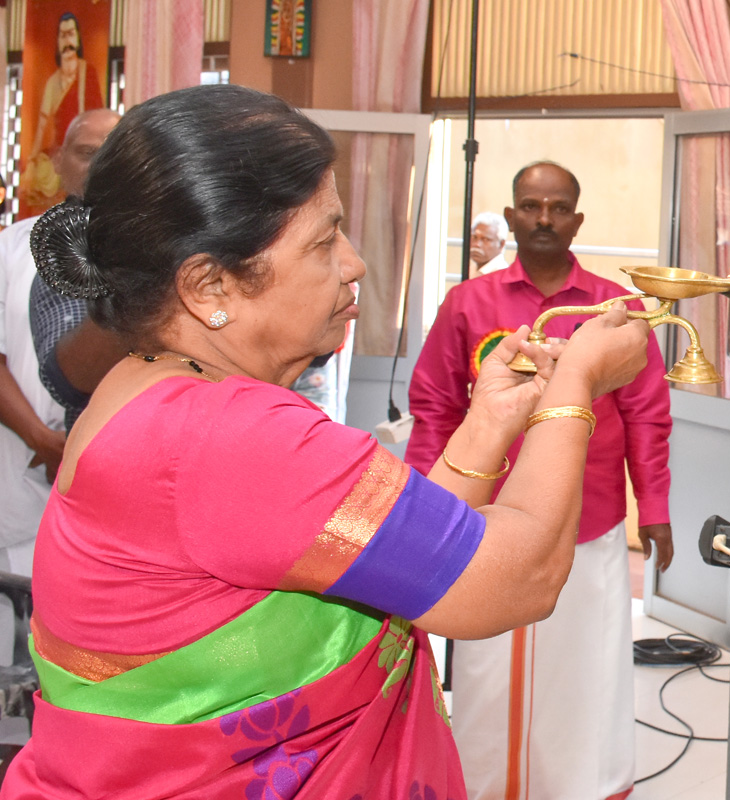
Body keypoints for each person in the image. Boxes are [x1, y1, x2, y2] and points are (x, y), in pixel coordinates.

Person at [1, 84, 653, 799]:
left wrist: (490, 423)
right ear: (209, 286)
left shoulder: (143, 382)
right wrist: (575, 387)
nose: (354, 263)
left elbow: (402, 553)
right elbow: (513, 580)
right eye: (323, 241)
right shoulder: (236, 435)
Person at [406, 161, 674, 800]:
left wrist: (655, 506)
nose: (544, 218)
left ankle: (585, 788)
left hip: (590, 517)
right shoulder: (468, 303)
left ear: (577, 220)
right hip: (485, 523)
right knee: (488, 673)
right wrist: (423, 505)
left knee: (585, 671)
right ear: (510, 216)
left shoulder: (616, 311)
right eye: (531, 206)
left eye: (558, 208)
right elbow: (435, 405)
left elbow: (647, 413)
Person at [0, 109, 118, 578]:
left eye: (113, 153)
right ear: (57, 160)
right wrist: (43, 440)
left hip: (116, 472)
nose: (99, 165)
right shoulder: (12, 247)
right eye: (87, 152)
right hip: (23, 459)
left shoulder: (156, 249)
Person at [21, 13, 106, 210]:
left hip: (82, 150)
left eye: (70, 34)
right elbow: (42, 123)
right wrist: (33, 157)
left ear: (77, 39)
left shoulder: (87, 73)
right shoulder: (52, 82)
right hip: (60, 151)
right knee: (40, 172)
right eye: (63, 35)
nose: (67, 42)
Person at [467, 211, 510, 278]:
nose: (477, 244)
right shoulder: (472, 270)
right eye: (475, 237)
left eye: (485, 239)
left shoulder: (502, 276)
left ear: (501, 244)